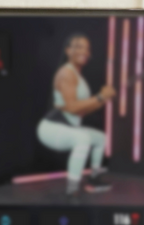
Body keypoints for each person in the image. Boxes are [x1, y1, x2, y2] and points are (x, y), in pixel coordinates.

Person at [36, 33, 114, 195]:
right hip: (51, 128)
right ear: (67, 50)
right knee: (83, 139)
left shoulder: (79, 76)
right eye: (79, 46)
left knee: (100, 138)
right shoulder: (66, 73)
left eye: (87, 48)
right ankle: (72, 189)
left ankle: (94, 179)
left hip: (67, 126)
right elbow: (72, 107)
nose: (84, 51)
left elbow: (82, 110)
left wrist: (103, 99)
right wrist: (99, 96)